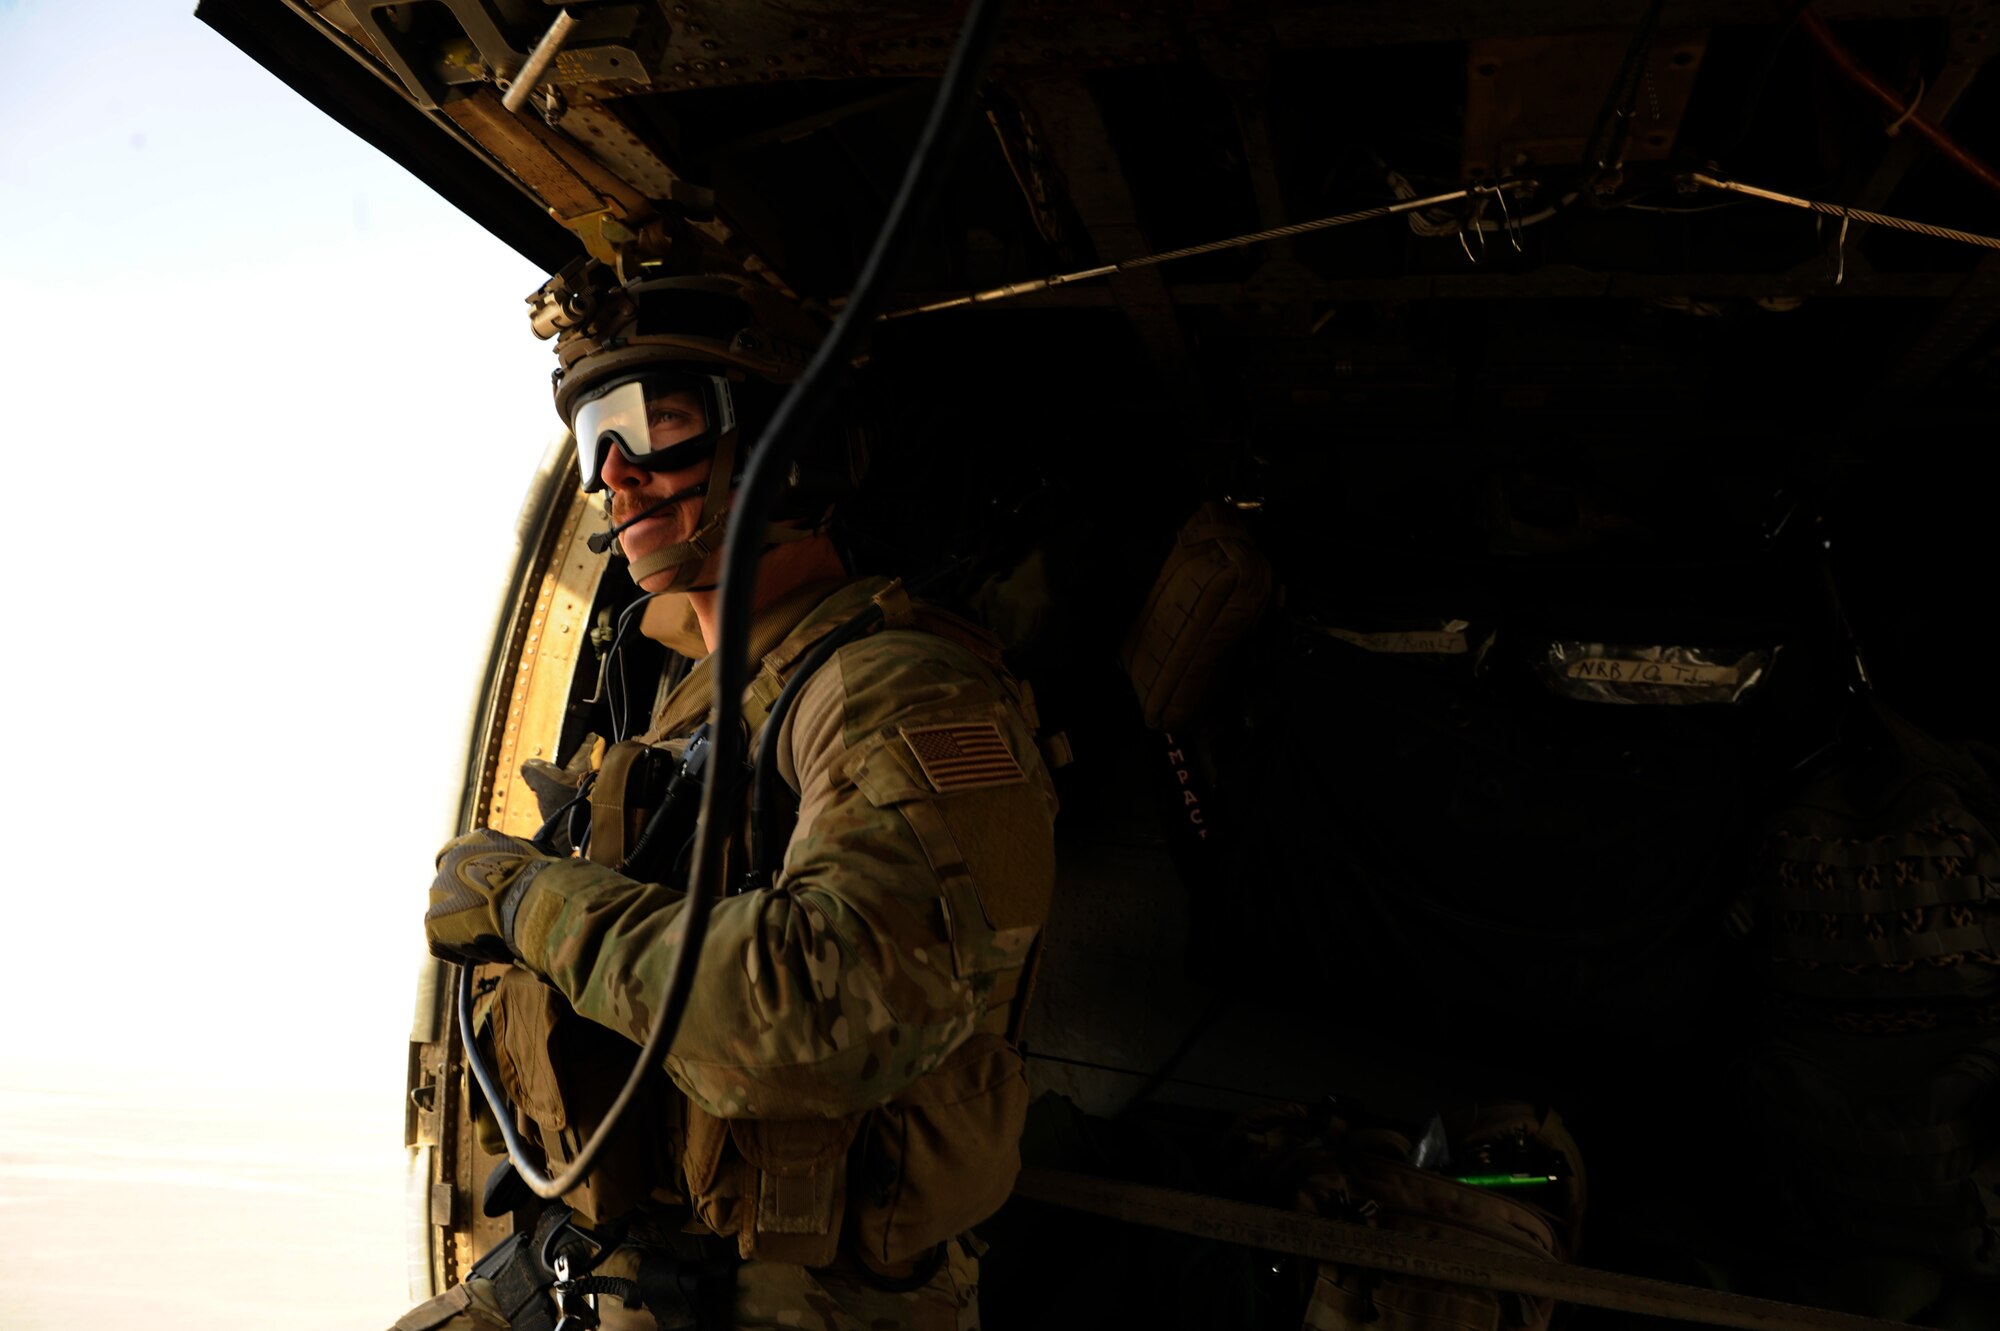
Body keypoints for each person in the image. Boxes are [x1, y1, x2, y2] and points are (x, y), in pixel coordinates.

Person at [399, 264, 1059, 1331]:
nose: (614, 474)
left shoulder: (895, 685)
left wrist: (532, 903)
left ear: (780, 444)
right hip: (601, 1266)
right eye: (594, 440)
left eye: (654, 428)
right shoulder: (690, 701)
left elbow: (825, 1013)